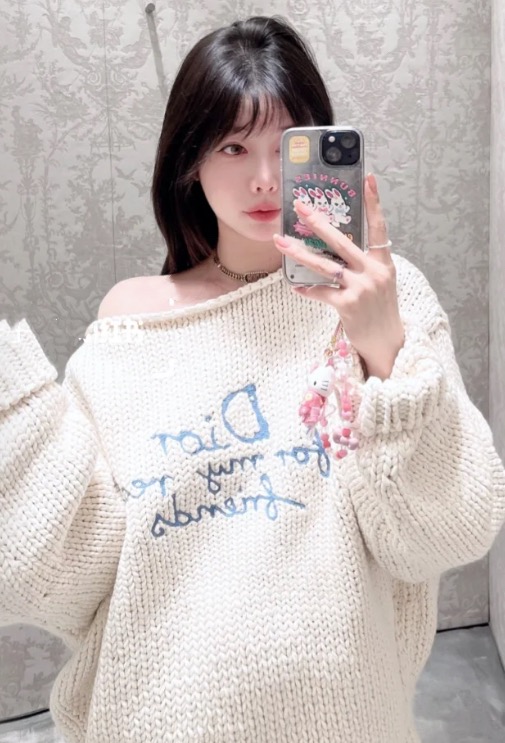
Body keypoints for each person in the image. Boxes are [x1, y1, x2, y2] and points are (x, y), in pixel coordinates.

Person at [1, 14, 504, 743]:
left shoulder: (385, 298)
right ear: (189, 159)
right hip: (160, 719)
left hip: (347, 719)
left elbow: (447, 534)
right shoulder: (130, 325)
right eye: (233, 146)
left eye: (286, 145)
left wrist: (381, 350)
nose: (264, 177)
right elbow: (70, 575)